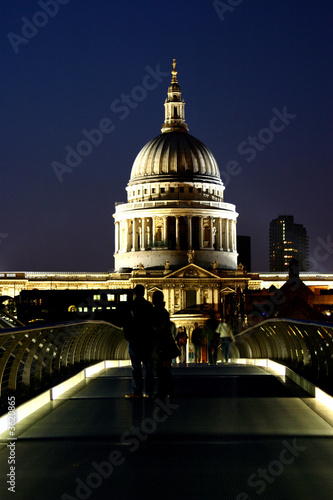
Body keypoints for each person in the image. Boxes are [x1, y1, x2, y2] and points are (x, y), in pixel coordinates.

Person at [123, 284, 154, 398]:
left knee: (136, 367)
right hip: (146, 339)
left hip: (134, 339)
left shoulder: (131, 305)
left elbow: (126, 322)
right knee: (147, 367)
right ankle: (149, 392)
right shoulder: (149, 306)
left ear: (134, 293)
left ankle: (137, 392)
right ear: (144, 293)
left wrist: (128, 336)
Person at [151, 291, 178, 398]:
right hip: (166, 343)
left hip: (159, 344)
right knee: (165, 370)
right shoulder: (164, 311)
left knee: (160, 370)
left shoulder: (156, 311)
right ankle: (169, 391)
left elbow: (159, 328)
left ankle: (162, 391)